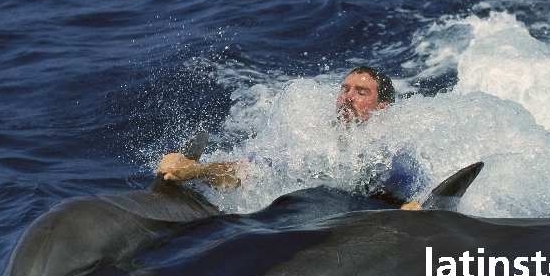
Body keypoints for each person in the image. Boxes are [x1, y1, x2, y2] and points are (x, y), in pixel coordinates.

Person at [156, 66, 424, 210]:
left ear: (382, 107)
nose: (348, 97)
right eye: (344, 89)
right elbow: (246, 171)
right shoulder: (310, 136)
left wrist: (416, 207)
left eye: (361, 92)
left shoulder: (391, 147)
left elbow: (421, 192)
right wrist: (197, 170)